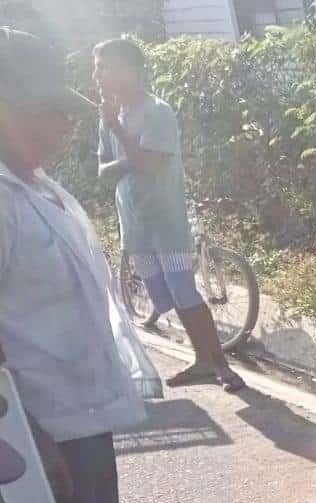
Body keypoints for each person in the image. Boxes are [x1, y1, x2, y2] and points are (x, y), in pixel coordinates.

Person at [0, 26, 182, 503]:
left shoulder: (36, 187)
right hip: (39, 431)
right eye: (50, 110)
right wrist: (31, 443)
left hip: (81, 416)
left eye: (70, 111)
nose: (68, 124)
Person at [94, 38, 245, 393]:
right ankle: (202, 360)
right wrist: (129, 156)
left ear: (128, 70)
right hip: (134, 224)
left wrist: (122, 140)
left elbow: (152, 162)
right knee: (163, 298)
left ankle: (222, 367)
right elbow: (103, 170)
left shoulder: (157, 111)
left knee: (184, 291)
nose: (97, 76)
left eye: (103, 67)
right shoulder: (109, 118)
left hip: (166, 222)